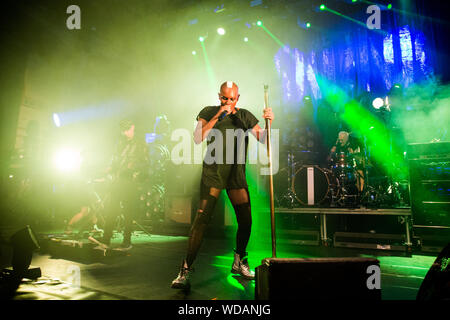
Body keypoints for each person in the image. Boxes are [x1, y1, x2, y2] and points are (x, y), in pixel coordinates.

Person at [171, 81, 274, 290]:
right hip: (214, 172)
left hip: (235, 173)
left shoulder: (244, 115)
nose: (228, 101)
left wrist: (269, 122)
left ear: (238, 98)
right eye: (224, 98)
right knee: (201, 220)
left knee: (246, 220)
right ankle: (185, 270)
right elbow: (198, 137)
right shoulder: (208, 112)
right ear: (219, 96)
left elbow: (264, 140)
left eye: (232, 98)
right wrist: (219, 115)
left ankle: (239, 261)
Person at [97, 119, 150, 250]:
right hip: (118, 181)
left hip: (130, 182)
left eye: (127, 130)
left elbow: (146, 163)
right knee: (111, 211)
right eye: (123, 131)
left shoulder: (140, 143)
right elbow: (116, 160)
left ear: (133, 127)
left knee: (128, 213)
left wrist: (134, 168)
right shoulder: (120, 143)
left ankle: (127, 242)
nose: (125, 133)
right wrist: (109, 169)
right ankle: (106, 240)